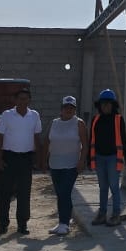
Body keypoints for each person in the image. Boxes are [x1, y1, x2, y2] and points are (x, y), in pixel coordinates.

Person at [0, 87, 42, 236]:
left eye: (25, 99)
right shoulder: (7, 115)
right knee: (4, 193)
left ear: (29, 100)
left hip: (26, 158)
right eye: (20, 98)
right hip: (9, 157)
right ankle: (3, 225)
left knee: (24, 193)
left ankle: (22, 224)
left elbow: (36, 137)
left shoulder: (34, 115)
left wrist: (38, 158)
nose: (23, 101)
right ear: (15, 100)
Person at [46, 95, 87, 236]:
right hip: (55, 164)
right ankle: (63, 221)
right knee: (60, 193)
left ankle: (64, 223)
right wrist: (43, 160)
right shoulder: (54, 123)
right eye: (66, 107)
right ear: (61, 109)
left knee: (65, 192)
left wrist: (82, 160)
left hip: (71, 164)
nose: (69, 110)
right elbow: (47, 141)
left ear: (75, 110)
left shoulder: (79, 123)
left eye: (72, 108)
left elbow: (85, 144)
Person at [88, 89, 126, 226]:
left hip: (113, 158)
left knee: (114, 186)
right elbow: (91, 140)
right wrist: (89, 159)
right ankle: (102, 214)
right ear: (99, 105)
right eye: (103, 103)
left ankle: (116, 215)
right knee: (103, 187)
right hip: (99, 157)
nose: (105, 106)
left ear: (113, 105)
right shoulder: (96, 120)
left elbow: (123, 139)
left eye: (108, 103)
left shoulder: (118, 119)